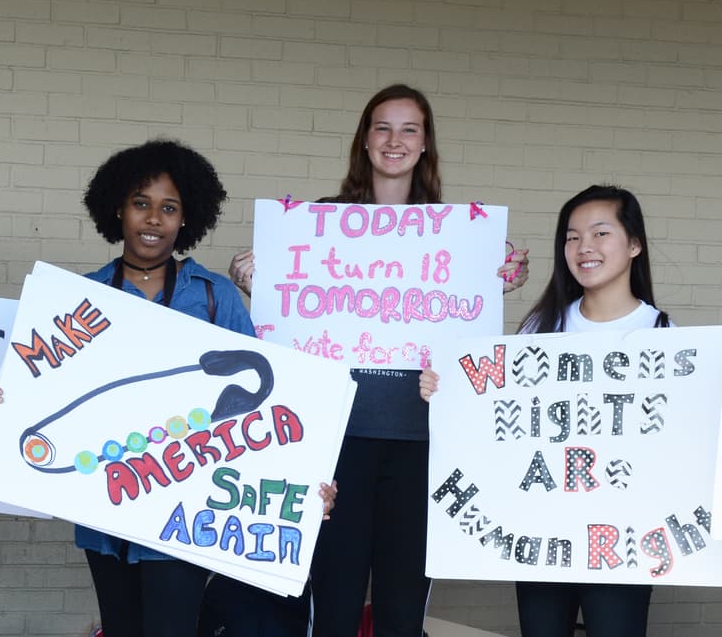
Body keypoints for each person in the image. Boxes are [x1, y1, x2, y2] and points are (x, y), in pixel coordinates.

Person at [0, 139, 335, 637]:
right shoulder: (82, 297)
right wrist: (8, 401)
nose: (153, 219)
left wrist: (307, 476)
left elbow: (268, 397)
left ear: (187, 217)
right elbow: (46, 390)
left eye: (168, 208)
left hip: (182, 516)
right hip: (103, 514)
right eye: (141, 204)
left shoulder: (213, 297)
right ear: (118, 211)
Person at [227, 84, 529, 637]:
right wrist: (255, 282)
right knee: (334, 603)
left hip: (422, 438)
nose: (395, 140)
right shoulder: (315, 225)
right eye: (383, 128)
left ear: (425, 144)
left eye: (409, 128)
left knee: (402, 608)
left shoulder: (460, 235)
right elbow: (292, 315)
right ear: (364, 141)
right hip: (333, 438)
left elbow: (464, 320)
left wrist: (499, 279)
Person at [419, 185, 664, 637]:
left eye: (600, 233)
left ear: (634, 245)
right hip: (542, 534)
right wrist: (446, 391)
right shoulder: (541, 326)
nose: (584, 247)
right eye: (572, 237)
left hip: (623, 539)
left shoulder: (662, 334)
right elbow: (495, 415)